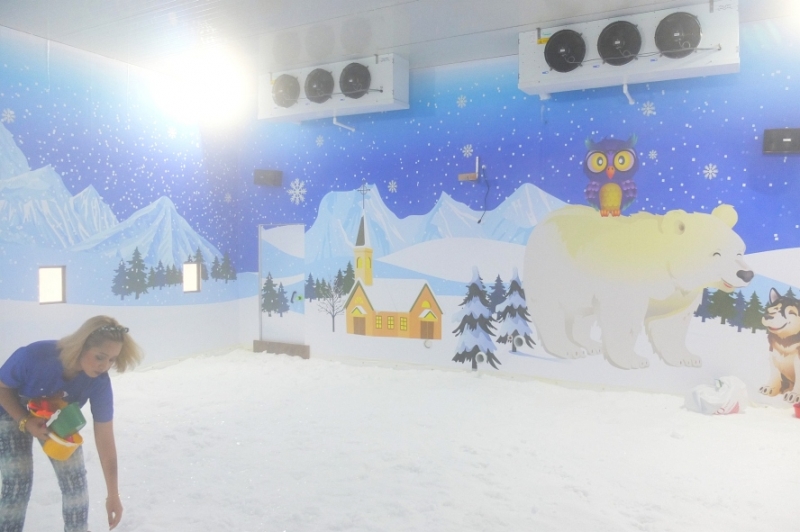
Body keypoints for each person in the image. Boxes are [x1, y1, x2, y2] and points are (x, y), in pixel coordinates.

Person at [0, 316, 142, 532]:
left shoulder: (99, 382)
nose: (105, 366)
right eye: (100, 357)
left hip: (56, 415)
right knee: (18, 480)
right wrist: (24, 420)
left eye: (112, 360)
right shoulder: (36, 355)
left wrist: (113, 494)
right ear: (81, 345)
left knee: (75, 482)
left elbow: (105, 440)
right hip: (9, 409)